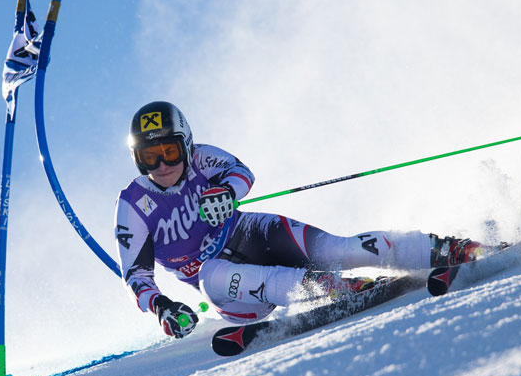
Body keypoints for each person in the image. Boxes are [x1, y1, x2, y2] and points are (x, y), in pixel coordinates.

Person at [115, 101, 485, 339]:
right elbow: (136, 275)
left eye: (170, 151)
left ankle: (445, 248)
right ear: (137, 159)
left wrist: (226, 192)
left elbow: (241, 172)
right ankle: (326, 287)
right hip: (234, 291)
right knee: (210, 273)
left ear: (187, 144)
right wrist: (163, 307)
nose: (163, 165)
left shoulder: (200, 159)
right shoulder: (134, 205)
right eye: (151, 157)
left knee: (339, 248)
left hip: (249, 233)